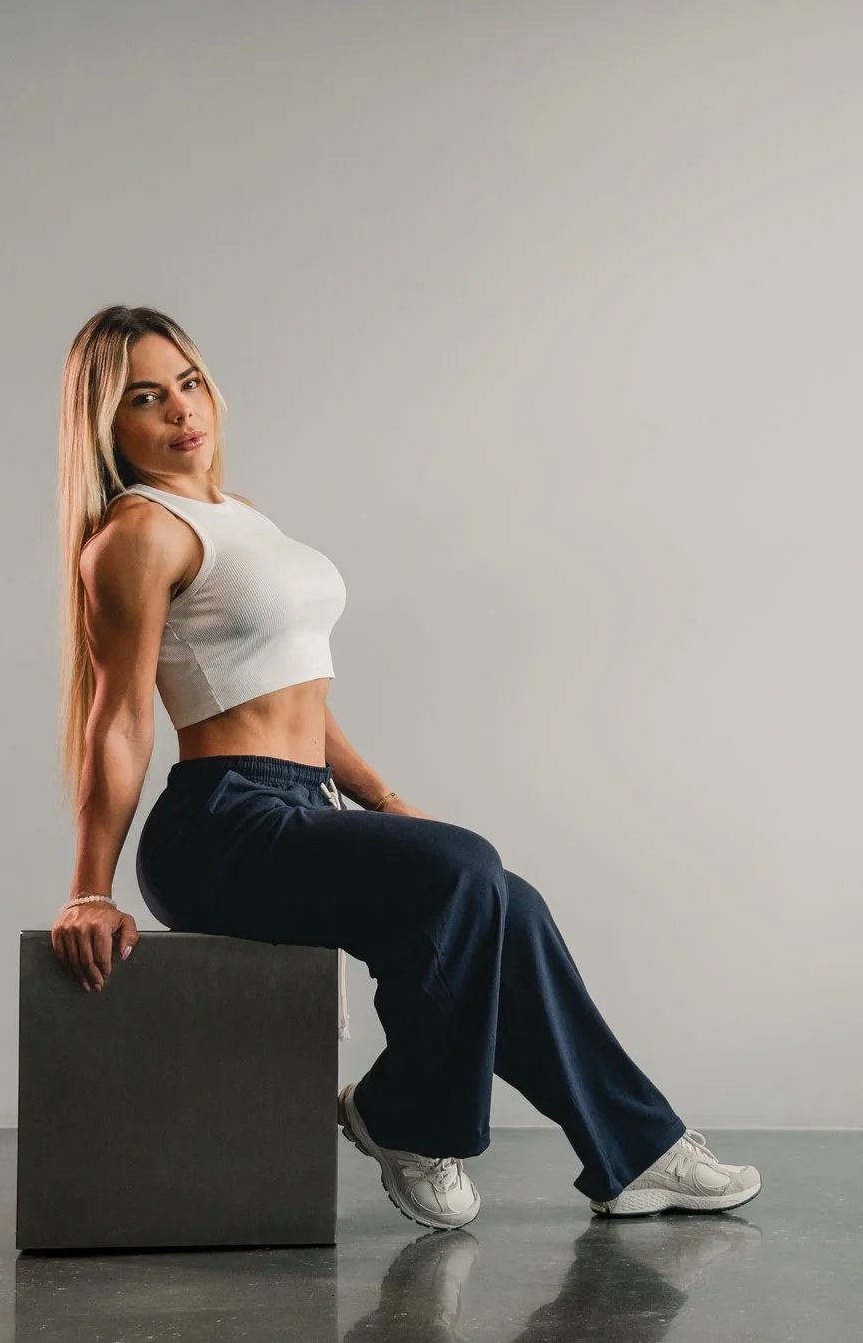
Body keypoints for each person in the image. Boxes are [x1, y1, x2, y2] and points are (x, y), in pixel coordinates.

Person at [45, 305, 760, 1230]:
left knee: (509, 897)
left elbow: (301, 693)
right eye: (147, 398)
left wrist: (381, 799)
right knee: (468, 871)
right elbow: (120, 717)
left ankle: (638, 1152)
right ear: (109, 425)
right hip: (220, 826)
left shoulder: (237, 517)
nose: (181, 410)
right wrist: (88, 889)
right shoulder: (138, 536)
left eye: (187, 383)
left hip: (302, 805)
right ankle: (406, 1119)